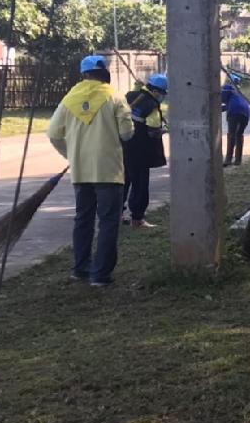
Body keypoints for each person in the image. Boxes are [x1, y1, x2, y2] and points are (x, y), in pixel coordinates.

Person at [47, 55, 134, 287]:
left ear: (84, 74)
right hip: (109, 171)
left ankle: (80, 268)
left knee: (83, 219)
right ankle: (101, 274)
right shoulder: (115, 96)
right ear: (105, 74)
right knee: (108, 221)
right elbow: (127, 134)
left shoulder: (69, 98)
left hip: (81, 171)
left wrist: (71, 155)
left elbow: (53, 134)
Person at [121, 73, 168, 229]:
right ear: (155, 91)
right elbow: (153, 132)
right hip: (141, 152)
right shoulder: (152, 106)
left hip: (123, 147)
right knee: (140, 185)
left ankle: (117, 214)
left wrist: (138, 86)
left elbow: (137, 93)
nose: (162, 96)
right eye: (162, 93)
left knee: (123, 181)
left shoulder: (131, 96)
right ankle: (137, 219)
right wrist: (164, 130)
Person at [221, 74, 250, 167]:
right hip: (246, 112)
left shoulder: (227, 88)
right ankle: (238, 160)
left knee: (231, 135)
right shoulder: (238, 92)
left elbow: (221, 99)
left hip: (234, 112)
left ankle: (228, 159)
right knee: (239, 135)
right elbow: (231, 105)